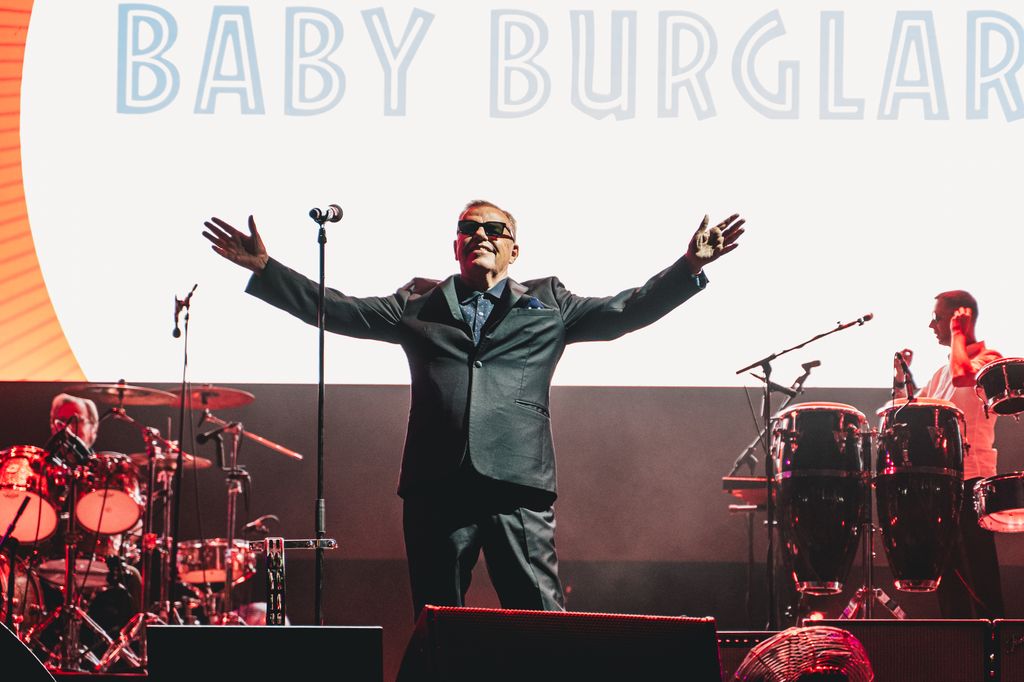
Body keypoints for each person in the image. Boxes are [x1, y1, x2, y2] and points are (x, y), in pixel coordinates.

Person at [202, 200, 746, 616]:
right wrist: (268, 269)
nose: (480, 235)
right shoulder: (415, 304)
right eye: (469, 229)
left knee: (539, 619)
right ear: (455, 246)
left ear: (514, 251)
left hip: (517, 484)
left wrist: (688, 266)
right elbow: (336, 310)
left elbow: (628, 310)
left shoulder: (549, 301)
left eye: (493, 230)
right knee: (438, 619)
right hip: (437, 485)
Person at [894, 290, 1004, 619]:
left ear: (960, 319)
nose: (931, 324)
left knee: (979, 570)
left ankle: (996, 645)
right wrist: (902, 379)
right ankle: (959, 646)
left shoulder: (987, 359)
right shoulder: (939, 375)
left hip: (972, 479)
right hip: (943, 483)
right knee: (949, 574)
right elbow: (909, 413)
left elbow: (964, 375)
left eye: (938, 318)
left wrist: (959, 333)